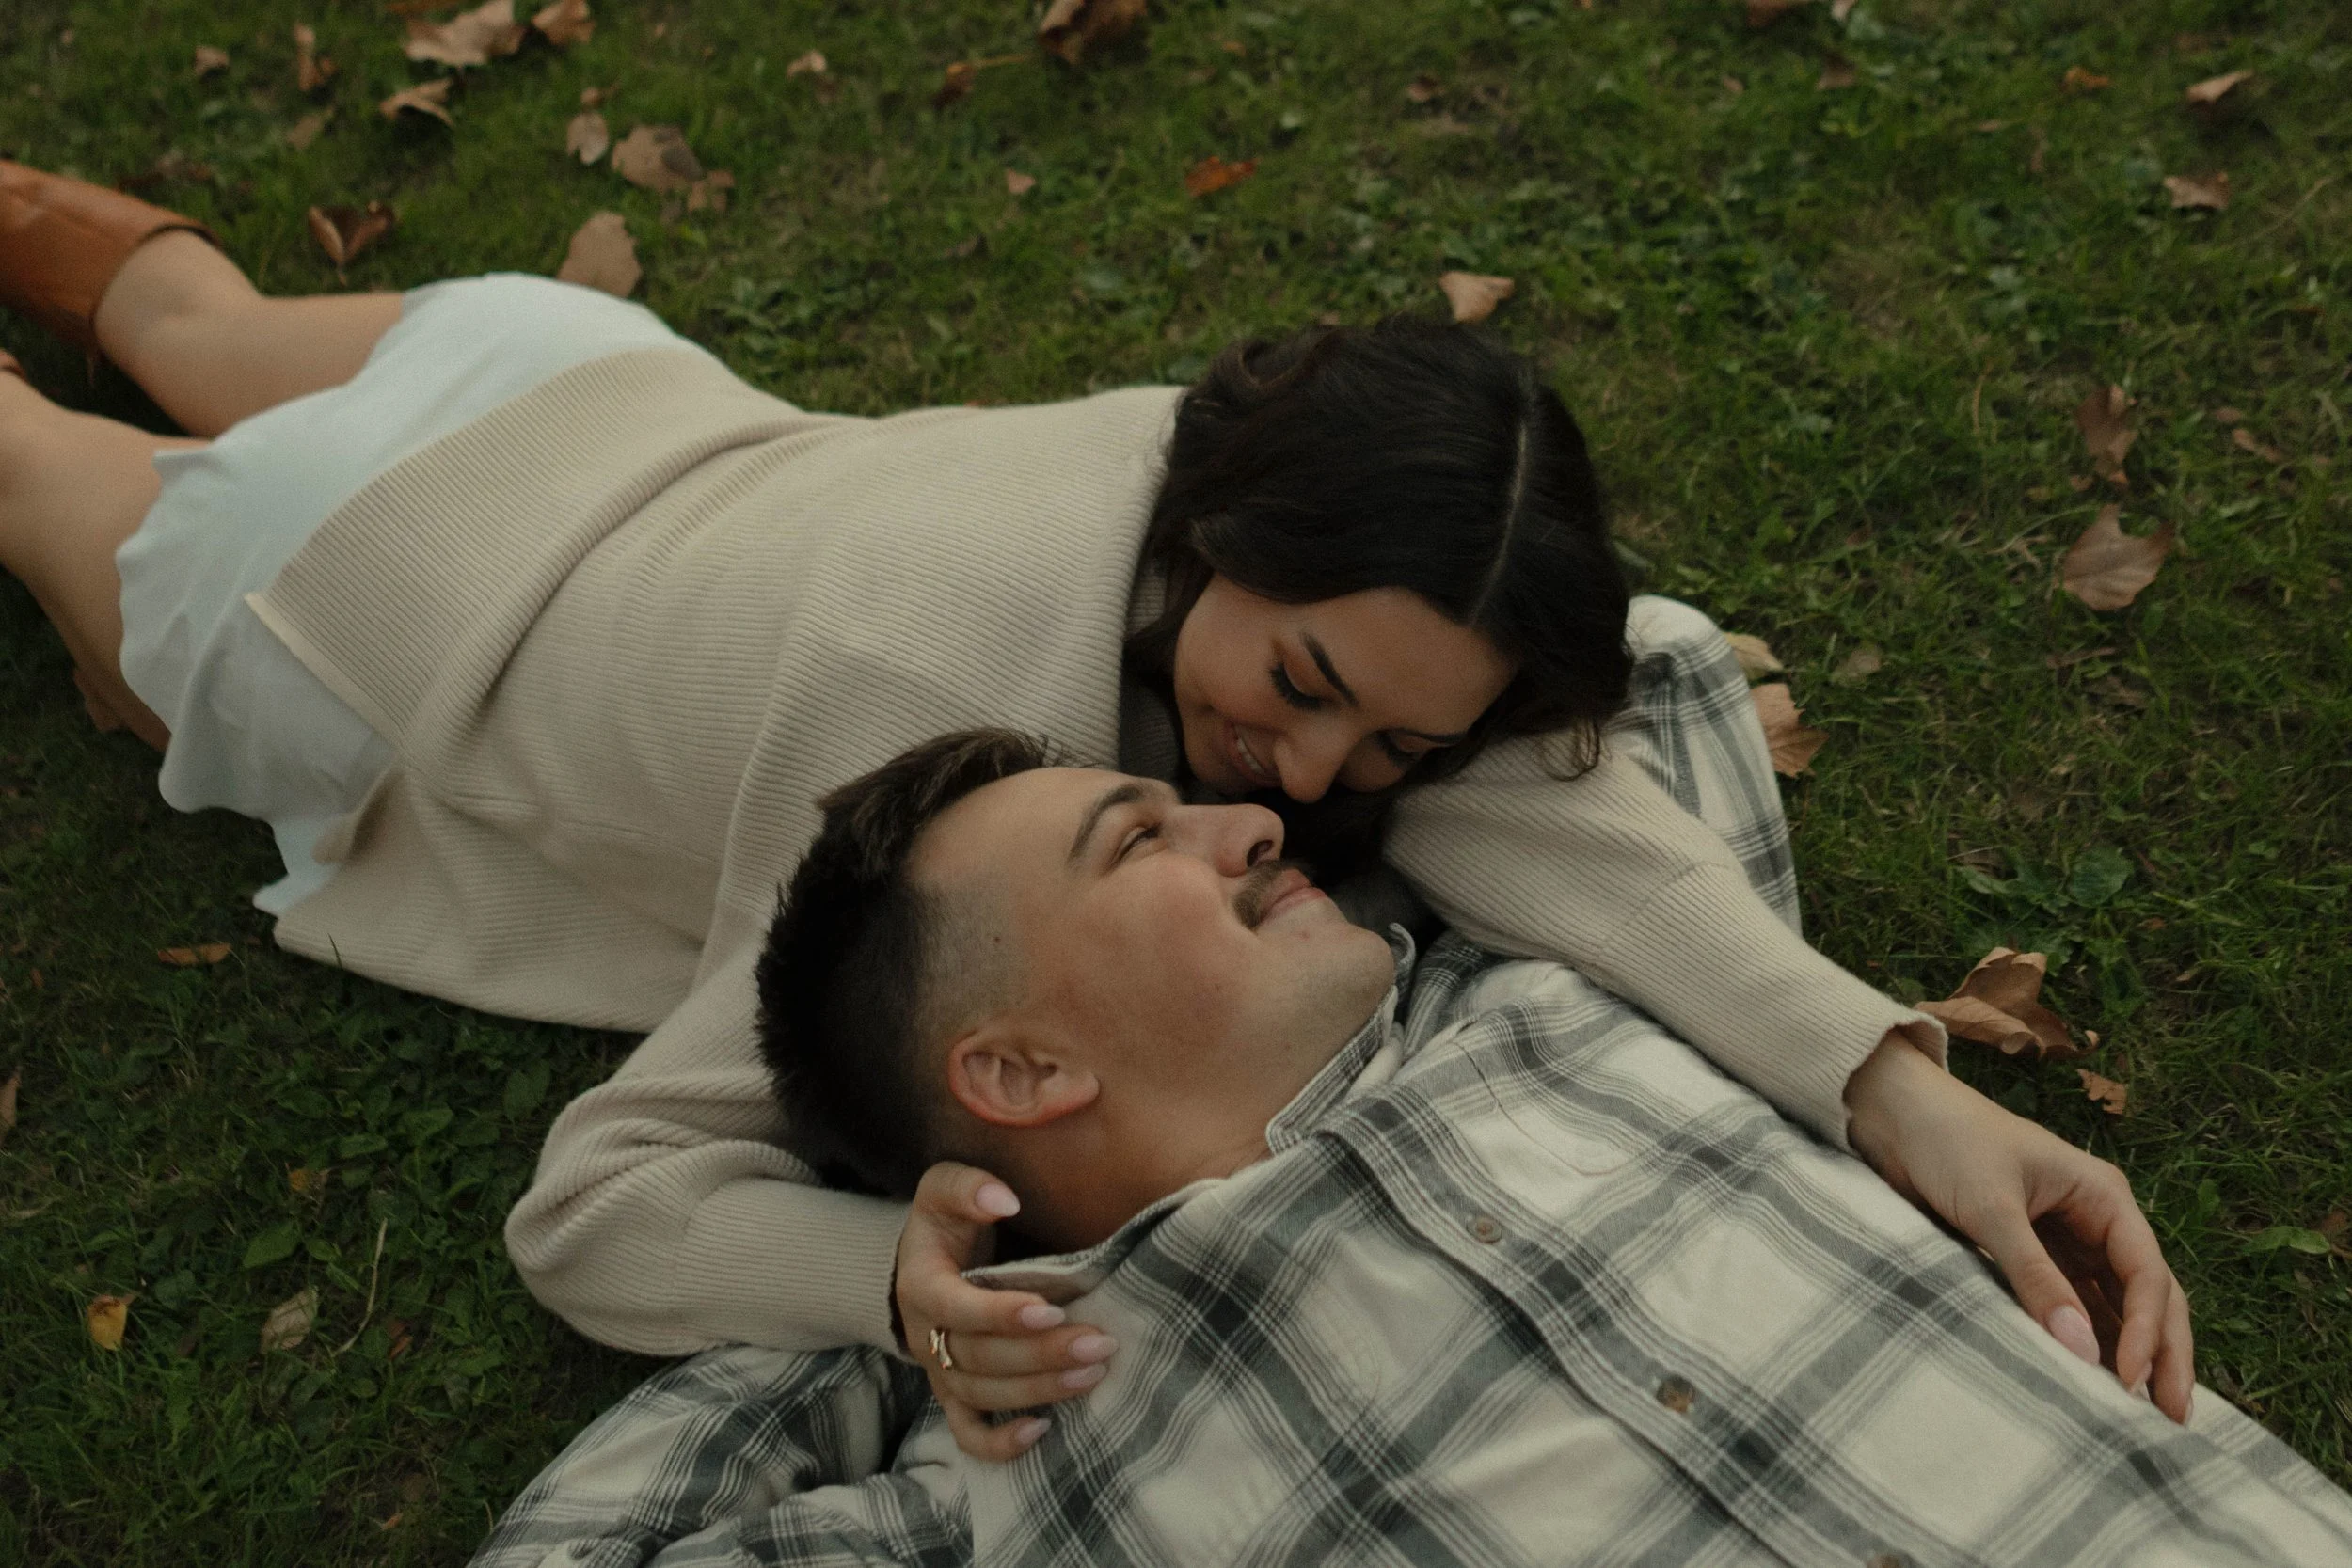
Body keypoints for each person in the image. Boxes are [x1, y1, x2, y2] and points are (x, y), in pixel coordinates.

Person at [0, 163, 2166, 1450]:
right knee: (29, 455)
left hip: (573, 382)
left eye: (1386, 751)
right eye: (1302, 692)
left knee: (187, 309)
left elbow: (1534, 811)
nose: (1312, 789)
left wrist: (1888, 1078)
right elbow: (604, 1197)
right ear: (1229, 530)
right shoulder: (945, 757)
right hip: (348, 597)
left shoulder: (1214, 475)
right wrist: (891, 1282)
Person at [469, 713, 2333, 1568]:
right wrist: (888, 1307)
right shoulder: (1022, 1450)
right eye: (1142, 840)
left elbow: (1637, 673)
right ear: (1018, 1066)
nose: (1245, 817)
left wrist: (1889, 1080)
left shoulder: (1581, 977)